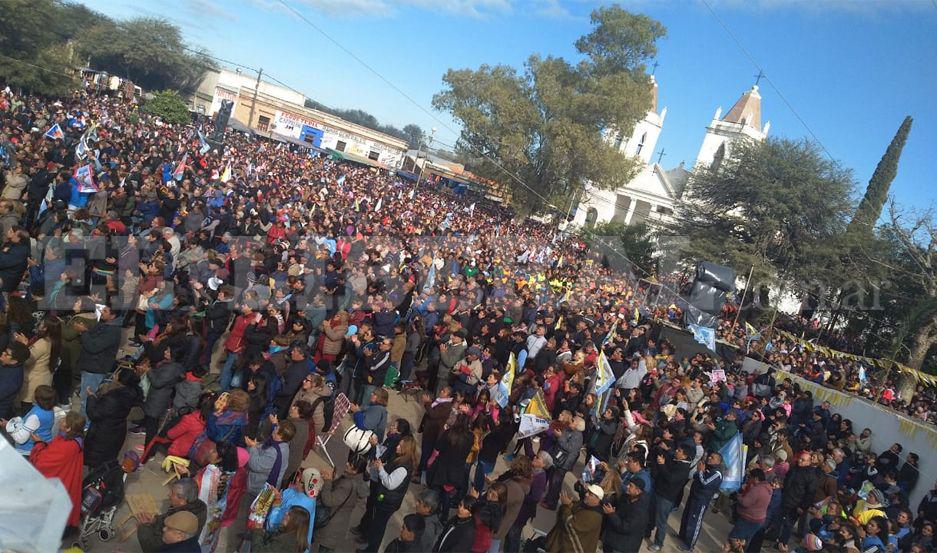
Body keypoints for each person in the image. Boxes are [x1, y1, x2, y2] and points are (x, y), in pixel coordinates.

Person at [355, 435, 416, 552]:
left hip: (388, 502)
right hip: (386, 499)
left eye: (401, 446)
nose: (397, 447)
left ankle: (371, 550)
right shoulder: (400, 459)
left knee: (379, 527)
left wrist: (380, 469)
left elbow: (390, 483)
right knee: (377, 525)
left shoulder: (403, 467)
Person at [29, 411, 85, 530]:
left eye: (64, 420)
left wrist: (38, 443)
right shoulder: (74, 439)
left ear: (68, 428)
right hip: (68, 478)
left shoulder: (67, 445)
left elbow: (42, 463)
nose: (61, 420)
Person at [85, 369, 143, 467]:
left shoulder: (114, 398)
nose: (114, 376)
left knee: (97, 462)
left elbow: (94, 414)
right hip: (117, 431)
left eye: (116, 374)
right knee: (108, 459)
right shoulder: (131, 394)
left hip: (103, 433)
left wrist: (91, 397)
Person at [314, 457, 370, 553]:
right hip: (339, 523)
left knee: (325, 549)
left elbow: (328, 500)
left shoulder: (348, 485)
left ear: (355, 471)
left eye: (350, 464)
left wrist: (328, 481)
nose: (347, 464)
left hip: (332, 526)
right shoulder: (356, 481)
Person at [137, 479, 208, 553]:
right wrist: (155, 520)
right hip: (182, 541)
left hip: (169, 544)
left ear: (182, 500)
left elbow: (164, 533)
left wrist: (146, 526)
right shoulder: (197, 504)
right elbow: (168, 518)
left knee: (143, 530)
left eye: (172, 493)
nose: (168, 494)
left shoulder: (185, 519)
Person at [75, 303, 122, 414]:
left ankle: (85, 425)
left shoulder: (112, 331)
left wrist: (84, 332)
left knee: (87, 400)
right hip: (90, 365)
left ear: (112, 316)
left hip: (95, 368)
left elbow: (93, 347)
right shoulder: (104, 324)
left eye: (105, 311)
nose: (101, 312)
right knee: (84, 397)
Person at [679, 451, 723, 552]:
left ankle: (689, 545)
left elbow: (705, 483)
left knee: (694, 522)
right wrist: (700, 471)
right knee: (687, 516)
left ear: (718, 461)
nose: (709, 458)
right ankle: (682, 537)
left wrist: (700, 472)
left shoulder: (717, 474)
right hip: (693, 496)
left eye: (712, 458)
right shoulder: (706, 467)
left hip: (701, 501)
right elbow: (695, 477)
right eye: (709, 457)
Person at [245, 418, 295, 495]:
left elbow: (256, 465)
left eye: (276, 428)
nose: (274, 428)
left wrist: (252, 447)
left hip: (259, 489)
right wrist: (274, 423)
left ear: (280, 436)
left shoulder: (273, 453)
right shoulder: (284, 443)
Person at [545, 488, 603, 553]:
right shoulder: (583, 506)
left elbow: (570, 525)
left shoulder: (595, 516)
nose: (586, 494)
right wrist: (568, 504)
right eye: (587, 492)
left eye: (590, 494)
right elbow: (563, 516)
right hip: (559, 545)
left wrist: (566, 506)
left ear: (597, 500)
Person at [3, 384, 56, 456]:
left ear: (37, 398)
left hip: (28, 451)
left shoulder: (35, 416)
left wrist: (8, 427)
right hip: (44, 445)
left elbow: (21, 439)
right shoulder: (49, 409)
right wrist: (9, 423)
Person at [0, 342, 29, 419]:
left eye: (7, 354)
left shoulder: (12, 378)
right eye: (4, 351)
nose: (3, 353)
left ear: (15, 361)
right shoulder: (9, 365)